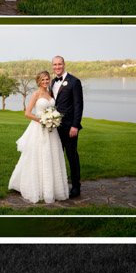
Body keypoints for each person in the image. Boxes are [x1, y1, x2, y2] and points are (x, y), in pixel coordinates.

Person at [8, 70, 71, 204]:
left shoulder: (50, 93)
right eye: (42, 80)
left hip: (51, 131)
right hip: (39, 128)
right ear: (38, 81)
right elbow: (27, 113)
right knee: (38, 156)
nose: (45, 82)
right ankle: (35, 187)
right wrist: (42, 121)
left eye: (47, 79)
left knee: (52, 156)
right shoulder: (35, 94)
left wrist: (53, 119)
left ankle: (52, 189)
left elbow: (53, 109)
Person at [49, 55, 84, 198]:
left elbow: (78, 105)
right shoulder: (52, 82)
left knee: (71, 156)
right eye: (55, 64)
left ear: (64, 65)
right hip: (54, 127)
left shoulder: (74, 81)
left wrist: (75, 125)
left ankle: (76, 186)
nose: (57, 67)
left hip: (69, 127)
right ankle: (60, 186)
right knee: (56, 156)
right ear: (52, 66)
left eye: (59, 64)